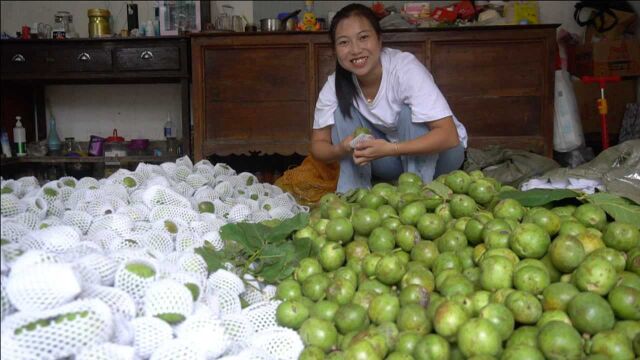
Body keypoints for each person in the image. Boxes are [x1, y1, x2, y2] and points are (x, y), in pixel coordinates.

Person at [310, 3, 468, 193]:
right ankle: (354, 196)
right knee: (342, 113)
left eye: (363, 38)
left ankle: (417, 197)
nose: (355, 49)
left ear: (379, 39)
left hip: (442, 157)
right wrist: (342, 148)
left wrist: (390, 149)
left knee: (408, 115)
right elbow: (318, 145)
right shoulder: (335, 84)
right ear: (335, 51)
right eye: (344, 42)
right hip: (391, 160)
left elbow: (449, 136)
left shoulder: (404, 69)